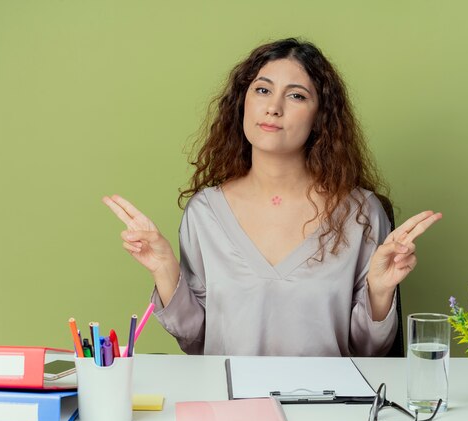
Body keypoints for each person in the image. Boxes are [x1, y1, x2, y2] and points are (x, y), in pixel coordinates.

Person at [103, 38, 441, 356]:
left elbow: (368, 350)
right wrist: (165, 269)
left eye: (296, 96)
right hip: (231, 410)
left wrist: (381, 292)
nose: (273, 108)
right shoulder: (204, 213)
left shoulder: (362, 213)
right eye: (262, 90)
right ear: (243, 103)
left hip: (329, 412)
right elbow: (197, 341)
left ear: (320, 117)